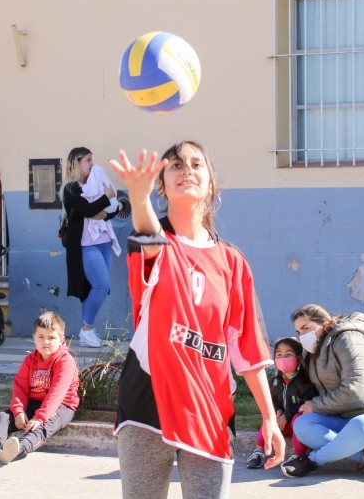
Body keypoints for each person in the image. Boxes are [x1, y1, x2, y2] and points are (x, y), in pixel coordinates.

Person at [108, 142, 284, 499]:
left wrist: (269, 417)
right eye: (174, 165)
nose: (185, 169)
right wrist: (138, 199)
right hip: (147, 400)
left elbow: (247, 348)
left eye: (195, 164)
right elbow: (148, 235)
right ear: (162, 185)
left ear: (210, 183)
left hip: (210, 409)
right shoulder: (154, 242)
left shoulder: (233, 262)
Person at [280, 303, 364, 481]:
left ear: (324, 323)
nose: (302, 336)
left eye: (306, 328)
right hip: (345, 419)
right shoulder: (314, 353)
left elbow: (356, 392)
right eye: (298, 332)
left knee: (361, 426)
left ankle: (313, 461)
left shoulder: (350, 339)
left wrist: (316, 405)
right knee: (303, 424)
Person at [0, 311, 79, 465]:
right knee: (4, 416)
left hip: (62, 405)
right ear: (34, 338)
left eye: (51, 338)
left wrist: (40, 417)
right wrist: (18, 411)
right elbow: (20, 387)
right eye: (41, 337)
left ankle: (19, 448)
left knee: (46, 425)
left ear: (62, 340)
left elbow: (57, 393)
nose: (46, 342)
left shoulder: (65, 362)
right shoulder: (30, 360)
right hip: (34, 401)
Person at [61, 147, 120, 347]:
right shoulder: (71, 189)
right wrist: (105, 198)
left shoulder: (96, 183)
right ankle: (87, 329)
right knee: (101, 285)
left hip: (103, 242)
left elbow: (113, 209)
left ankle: (87, 333)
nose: (92, 164)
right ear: (76, 163)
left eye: (92, 160)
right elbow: (86, 210)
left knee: (90, 288)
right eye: (88, 160)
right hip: (85, 246)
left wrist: (104, 212)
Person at [246, 336, 318, 469]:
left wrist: (287, 415)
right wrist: (277, 411)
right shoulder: (275, 382)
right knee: (269, 419)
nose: (283, 358)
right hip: (281, 425)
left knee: (299, 419)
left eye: (288, 354)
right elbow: (271, 401)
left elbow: (304, 406)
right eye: (279, 355)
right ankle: (259, 451)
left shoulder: (305, 384)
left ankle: (298, 454)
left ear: (299, 359)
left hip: (297, 427)